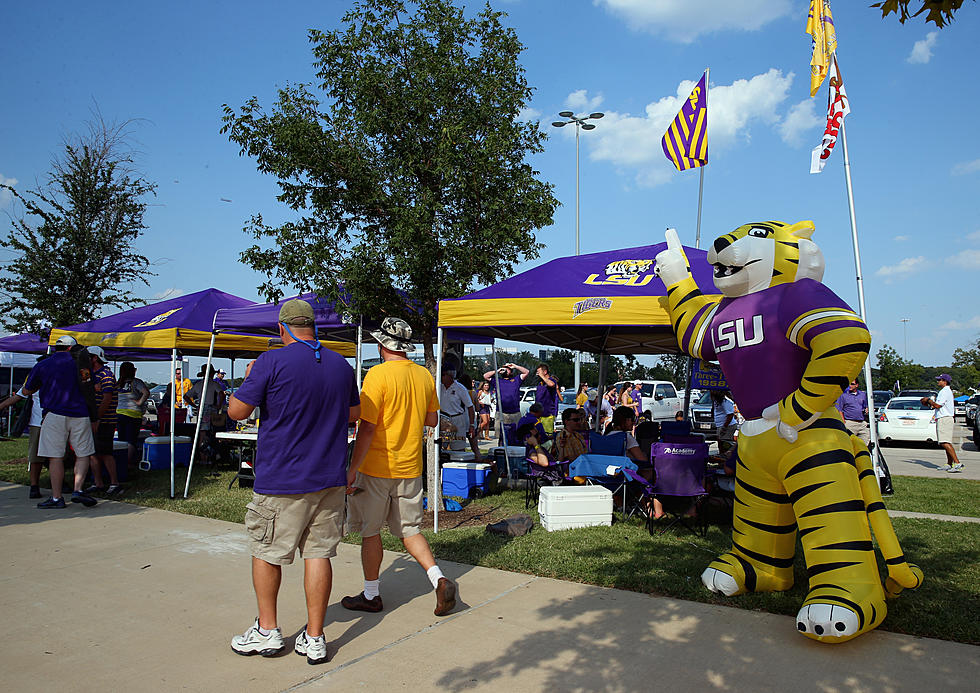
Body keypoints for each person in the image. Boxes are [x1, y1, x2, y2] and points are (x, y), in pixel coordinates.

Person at [228, 299, 360, 664]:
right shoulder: (340, 364)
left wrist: (251, 375)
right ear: (313, 328)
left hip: (282, 478)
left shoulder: (271, 361)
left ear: (281, 329)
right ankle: (315, 637)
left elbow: (237, 411)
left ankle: (268, 631)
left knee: (267, 551)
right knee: (319, 554)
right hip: (329, 476)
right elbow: (353, 414)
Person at [344, 317, 456, 618]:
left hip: (377, 466)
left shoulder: (377, 376)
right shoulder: (422, 375)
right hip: (410, 467)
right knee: (409, 530)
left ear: (383, 344)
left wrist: (352, 467)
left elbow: (366, 428)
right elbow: (432, 420)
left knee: (371, 532)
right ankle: (438, 578)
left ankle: (371, 594)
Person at [0, 335, 97, 508]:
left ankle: (57, 497)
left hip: (54, 414)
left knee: (55, 457)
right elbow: (90, 387)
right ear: (71, 348)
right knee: (83, 454)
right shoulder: (81, 364)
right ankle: (78, 489)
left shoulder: (43, 365)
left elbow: (28, 389)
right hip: (80, 413)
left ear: (56, 348)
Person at [85, 346, 122, 495]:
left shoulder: (106, 374)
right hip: (89, 419)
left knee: (106, 452)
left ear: (95, 358)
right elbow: (83, 389)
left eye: (87, 357)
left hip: (105, 420)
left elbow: (107, 398)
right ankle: (97, 483)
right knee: (92, 452)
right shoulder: (86, 373)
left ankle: (114, 483)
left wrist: (97, 418)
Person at [921, 374, 963, 473]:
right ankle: (949, 463)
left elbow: (938, 405)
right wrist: (930, 404)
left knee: (945, 442)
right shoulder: (945, 391)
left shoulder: (944, 391)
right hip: (944, 417)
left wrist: (928, 400)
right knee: (945, 441)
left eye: (940, 380)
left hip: (944, 418)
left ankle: (957, 463)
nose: (938, 381)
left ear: (945, 381)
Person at [115, 362, 150, 481]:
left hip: (119, 413)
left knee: (121, 440)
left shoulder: (118, 383)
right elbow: (146, 392)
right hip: (133, 414)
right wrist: (139, 402)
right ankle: (127, 463)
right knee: (131, 440)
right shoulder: (136, 382)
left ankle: (119, 463)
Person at [439, 366, 480, 460]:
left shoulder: (460, 388)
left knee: (458, 448)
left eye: (443, 375)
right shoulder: (439, 386)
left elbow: (470, 407)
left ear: (450, 375)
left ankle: (460, 466)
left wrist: (471, 425)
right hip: (442, 420)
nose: (441, 377)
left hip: (457, 420)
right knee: (441, 448)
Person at [483, 362, 528, 447]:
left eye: (507, 369)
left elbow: (526, 372)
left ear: (511, 371)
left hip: (515, 413)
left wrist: (515, 366)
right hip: (501, 413)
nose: (505, 370)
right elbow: (485, 376)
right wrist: (497, 371)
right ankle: (501, 452)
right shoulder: (497, 380)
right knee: (501, 436)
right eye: (504, 368)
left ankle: (514, 452)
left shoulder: (516, 380)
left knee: (516, 436)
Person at [835, 379, 870, 444]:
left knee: (864, 443)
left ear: (857, 385)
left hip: (861, 423)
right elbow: (839, 409)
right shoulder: (843, 395)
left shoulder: (862, 395)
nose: (850, 386)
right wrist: (843, 422)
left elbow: (866, 406)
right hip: (849, 423)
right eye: (849, 384)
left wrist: (867, 409)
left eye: (852, 384)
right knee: (848, 443)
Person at [534, 363, 559, 438]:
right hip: (539, 415)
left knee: (547, 437)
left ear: (545, 372)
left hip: (547, 415)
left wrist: (542, 376)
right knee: (539, 436)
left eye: (539, 372)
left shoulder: (552, 380)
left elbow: (551, 384)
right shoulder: (540, 383)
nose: (537, 374)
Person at [711, 389, 737, 455]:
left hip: (727, 426)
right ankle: (722, 460)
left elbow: (730, 415)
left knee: (725, 445)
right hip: (720, 425)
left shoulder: (725, 401)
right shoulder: (717, 401)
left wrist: (724, 427)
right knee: (720, 443)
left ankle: (726, 461)